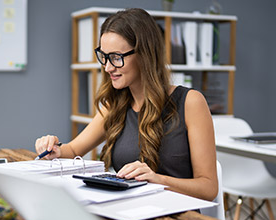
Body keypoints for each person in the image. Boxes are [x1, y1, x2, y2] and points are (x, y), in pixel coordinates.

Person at [35, 8, 217, 201]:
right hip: (129, 210)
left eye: (116, 57)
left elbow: (208, 187)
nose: (107, 67)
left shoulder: (190, 102)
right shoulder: (115, 105)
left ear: (144, 55)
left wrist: (157, 180)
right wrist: (54, 149)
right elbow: (72, 151)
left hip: (178, 217)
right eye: (104, 56)